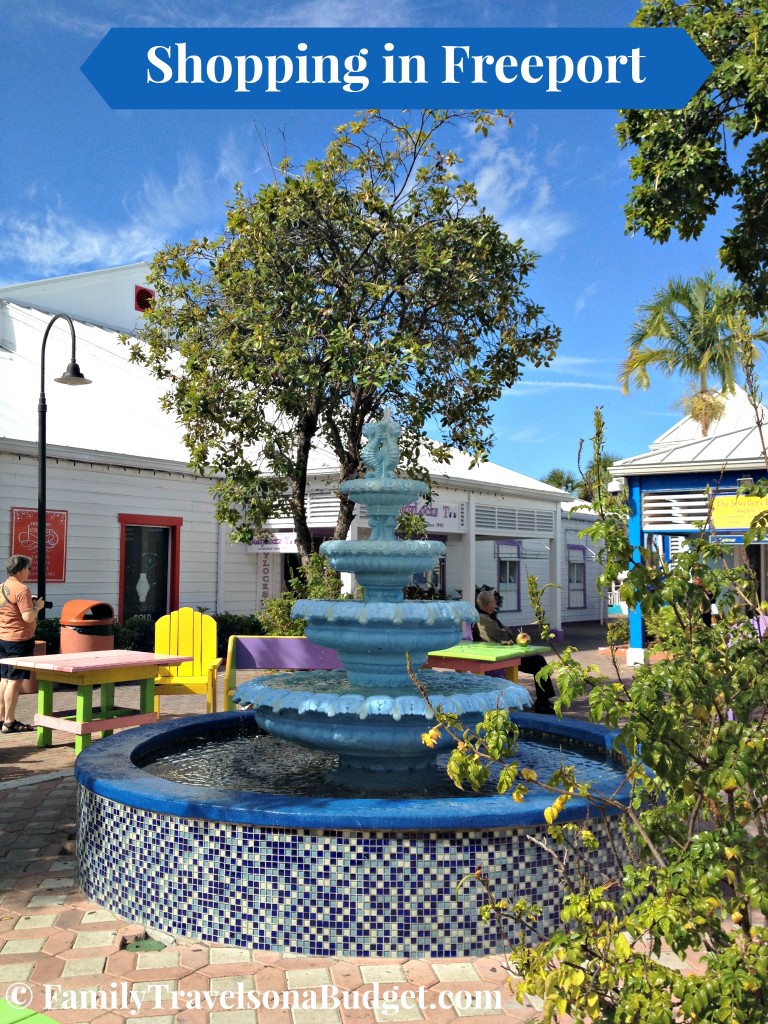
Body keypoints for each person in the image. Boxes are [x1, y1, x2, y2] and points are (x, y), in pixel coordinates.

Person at [475, 589, 556, 714]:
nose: (495, 602)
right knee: (538, 662)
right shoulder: (482, 619)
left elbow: (503, 633)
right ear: (487, 604)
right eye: (493, 600)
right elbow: (500, 635)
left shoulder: (488, 617)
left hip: (503, 653)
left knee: (538, 661)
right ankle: (542, 702)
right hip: (497, 657)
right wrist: (507, 632)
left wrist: (507, 633)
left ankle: (543, 700)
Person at [0, 554, 45, 733]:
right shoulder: (22, 589)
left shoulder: (2, 587)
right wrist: (37, 607)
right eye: (28, 568)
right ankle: (9, 722)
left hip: (3, 638)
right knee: (15, 681)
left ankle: (2, 716)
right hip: (19, 641)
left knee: (4, 679)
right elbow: (27, 617)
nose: (29, 572)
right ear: (19, 570)